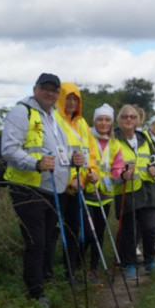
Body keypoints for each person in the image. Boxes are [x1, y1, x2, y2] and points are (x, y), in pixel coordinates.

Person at [0, 73, 76, 308]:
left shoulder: (54, 116)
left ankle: (44, 279)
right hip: (27, 187)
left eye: (54, 90)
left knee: (48, 239)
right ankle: (35, 291)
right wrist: (36, 163)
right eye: (46, 89)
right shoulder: (22, 113)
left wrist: (74, 160)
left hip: (53, 189)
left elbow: (61, 151)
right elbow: (9, 150)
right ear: (35, 89)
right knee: (36, 241)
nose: (50, 93)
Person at [112, 104, 155, 279]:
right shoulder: (114, 139)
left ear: (138, 120)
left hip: (147, 190)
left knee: (149, 227)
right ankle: (130, 264)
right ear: (119, 119)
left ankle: (149, 261)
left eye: (132, 117)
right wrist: (122, 174)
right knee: (129, 230)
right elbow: (109, 164)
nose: (128, 120)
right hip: (125, 190)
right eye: (125, 116)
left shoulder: (144, 138)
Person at [55, 83, 99, 280]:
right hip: (59, 185)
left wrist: (90, 174)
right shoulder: (54, 119)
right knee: (54, 232)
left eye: (76, 99)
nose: (71, 103)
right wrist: (71, 179)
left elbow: (90, 153)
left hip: (79, 186)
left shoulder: (82, 123)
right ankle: (51, 274)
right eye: (68, 98)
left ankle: (70, 271)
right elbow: (58, 152)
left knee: (75, 231)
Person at [84, 104, 124, 282]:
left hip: (105, 195)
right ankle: (76, 263)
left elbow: (118, 166)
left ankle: (93, 268)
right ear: (95, 121)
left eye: (107, 120)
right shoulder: (86, 138)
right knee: (87, 232)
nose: (103, 123)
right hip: (87, 193)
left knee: (99, 233)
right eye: (100, 119)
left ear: (111, 122)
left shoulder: (115, 143)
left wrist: (118, 176)